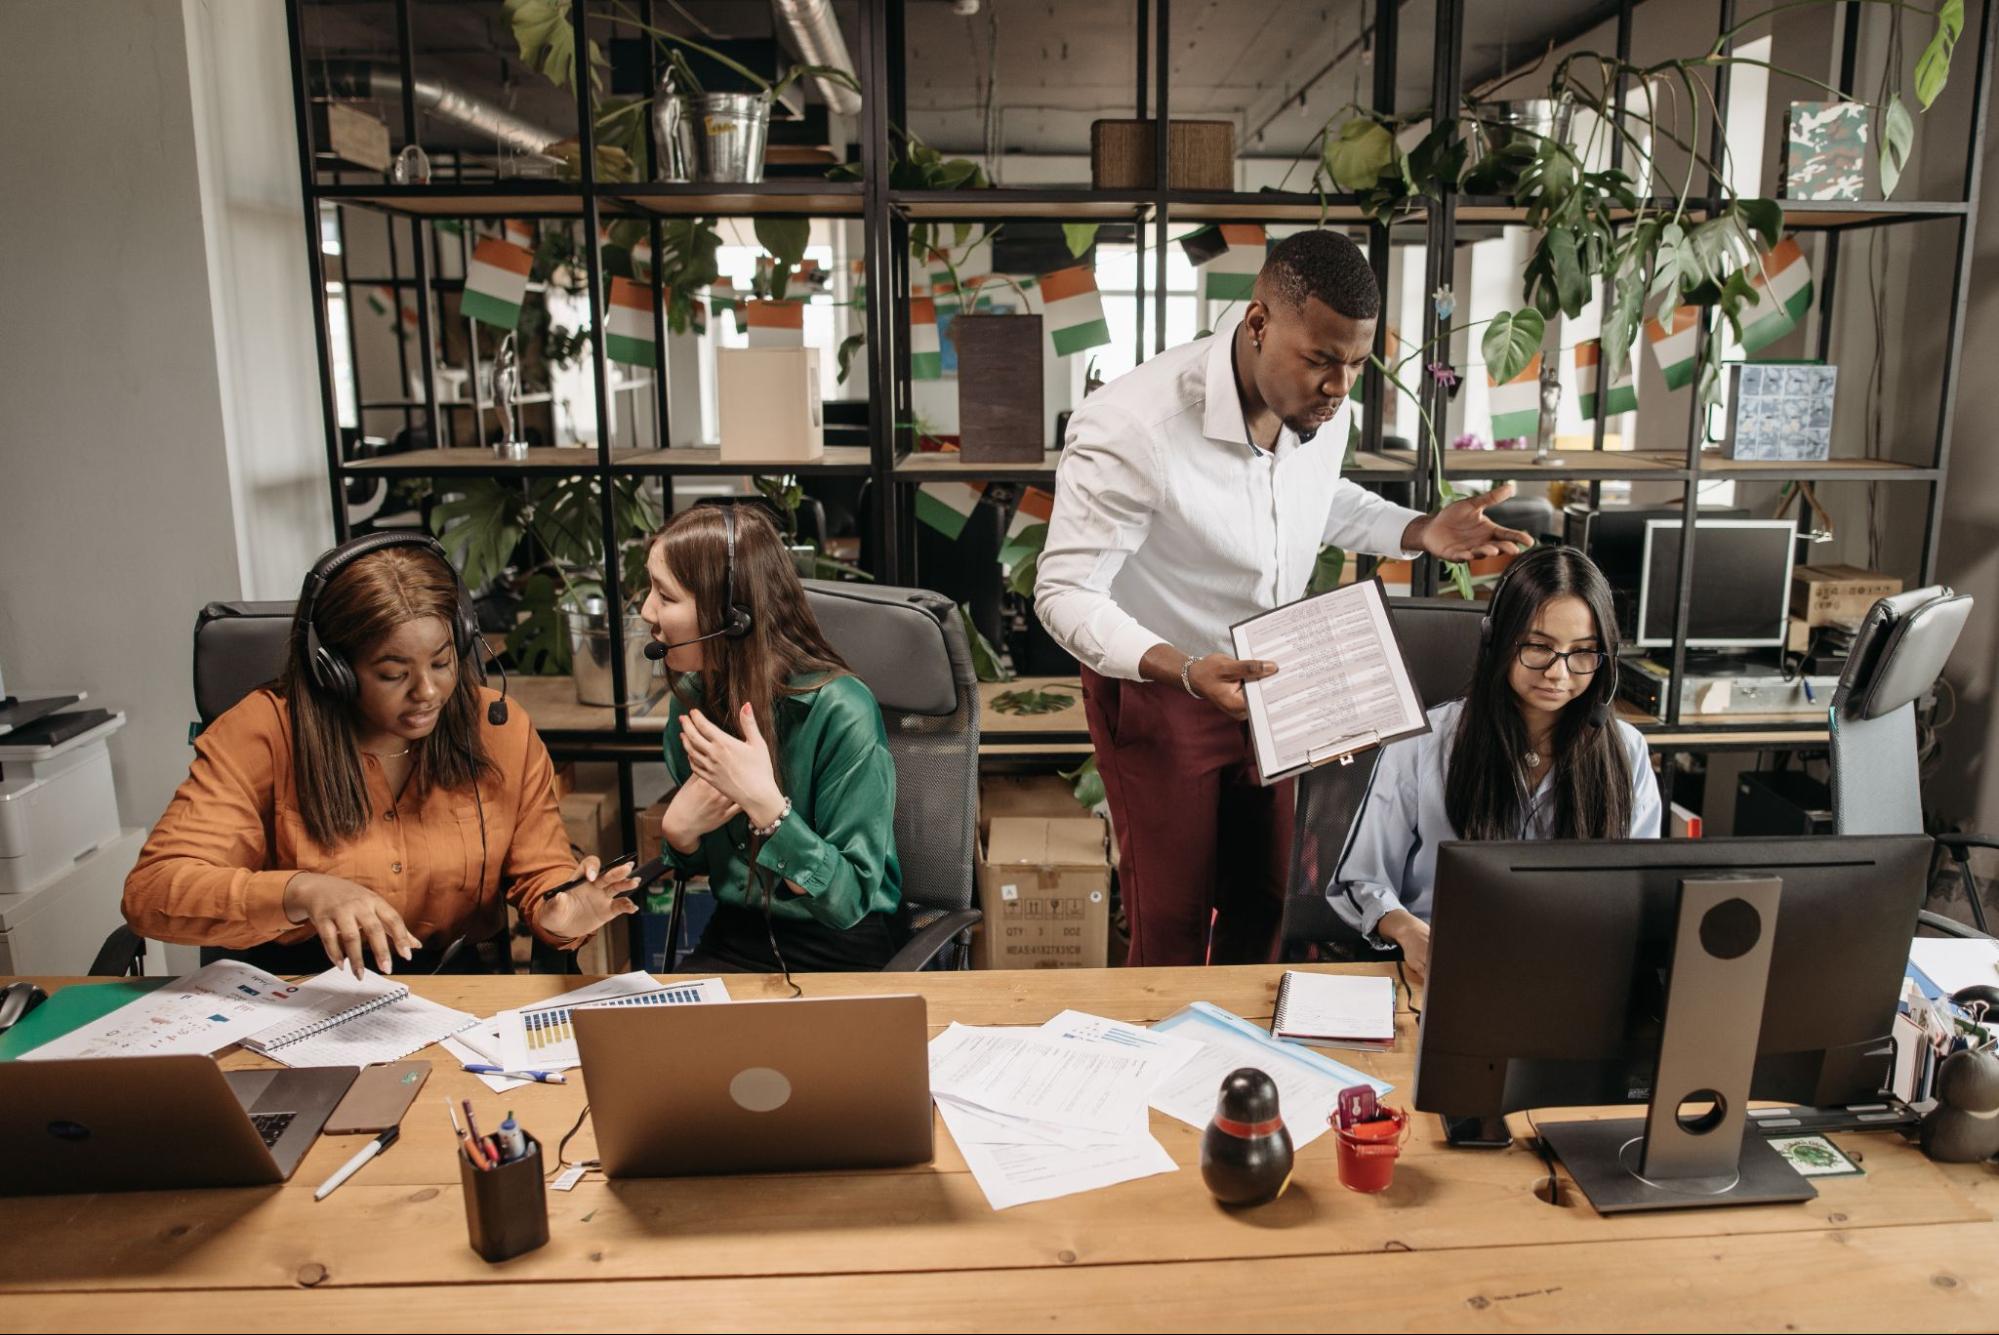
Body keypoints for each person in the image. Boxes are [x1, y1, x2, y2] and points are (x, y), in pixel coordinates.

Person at [1034, 228, 1533, 967]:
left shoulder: (1317, 406)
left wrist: (1419, 529)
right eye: (1322, 360)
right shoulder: (1132, 425)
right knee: (1170, 920)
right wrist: (1183, 668)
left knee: (1263, 902)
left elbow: (1315, 496)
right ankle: (1159, 1074)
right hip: (1162, 685)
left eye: (1358, 364)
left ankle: (1241, 1069)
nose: (1339, 386)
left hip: (1275, 678)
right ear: (1258, 322)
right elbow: (1063, 590)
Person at [124, 534, 637, 977]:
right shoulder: (265, 731)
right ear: (335, 670)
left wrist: (562, 911)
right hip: (299, 996)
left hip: (455, 988)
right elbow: (153, 892)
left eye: (442, 663)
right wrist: (301, 893)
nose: (428, 691)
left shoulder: (495, 727)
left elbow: (541, 872)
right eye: (393, 674)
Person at [1330, 545, 1664, 985]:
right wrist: (1407, 931)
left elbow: (1639, 893)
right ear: (1498, 641)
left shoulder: (1627, 751)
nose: (1558, 673)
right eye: (1539, 647)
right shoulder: (1424, 741)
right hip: (1443, 974)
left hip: (1569, 979)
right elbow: (1362, 879)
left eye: (1583, 652)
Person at [642, 504, 904, 974]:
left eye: (665, 595)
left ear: (730, 615)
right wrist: (680, 836)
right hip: (737, 935)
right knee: (656, 1043)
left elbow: (848, 900)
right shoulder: (693, 700)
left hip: (841, 944)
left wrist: (769, 809)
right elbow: (712, 859)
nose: (646, 611)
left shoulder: (841, 710)